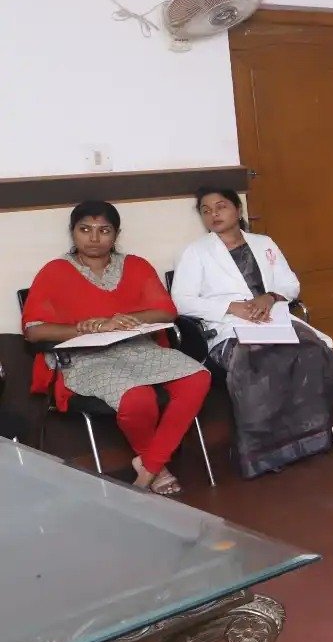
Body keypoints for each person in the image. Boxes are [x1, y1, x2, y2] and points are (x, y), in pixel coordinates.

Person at [21, 201, 211, 495]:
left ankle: (148, 468)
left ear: (116, 234)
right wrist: (85, 327)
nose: (94, 238)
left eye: (104, 230)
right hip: (85, 358)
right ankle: (157, 468)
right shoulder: (54, 271)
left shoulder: (135, 265)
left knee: (198, 378)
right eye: (85, 229)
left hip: (138, 349)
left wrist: (123, 319)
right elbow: (34, 331)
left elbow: (166, 311)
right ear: (73, 232)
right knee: (138, 398)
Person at [171, 187, 333, 478]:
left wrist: (270, 297)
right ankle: (265, 453)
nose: (214, 214)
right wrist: (231, 307)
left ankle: (309, 440)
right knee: (259, 362)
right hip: (229, 328)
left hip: (274, 320)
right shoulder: (196, 252)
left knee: (311, 352)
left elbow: (291, 285)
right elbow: (181, 301)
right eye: (206, 210)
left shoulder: (263, 243)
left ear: (238, 210)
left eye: (221, 206)